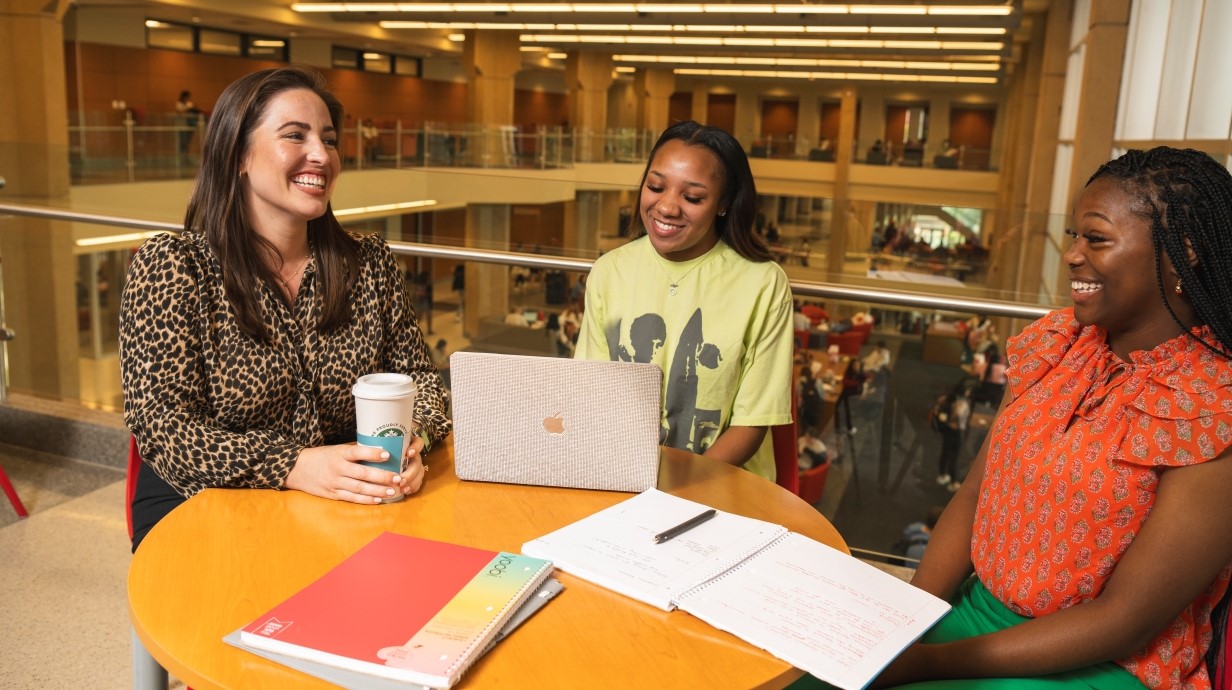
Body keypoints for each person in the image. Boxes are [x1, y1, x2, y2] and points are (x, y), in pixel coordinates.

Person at [858, 147, 1232, 688]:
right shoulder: (1057, 346)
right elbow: (972, 496)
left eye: (1096, 238)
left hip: (1100, 661)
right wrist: (902, 621)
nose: (1073, 255)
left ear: (1184, 253)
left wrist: (925, 663)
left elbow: (1126, 621)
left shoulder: (1214, 403)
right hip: (974, 613)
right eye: (1075, 236)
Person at [120, 67, 450, 552]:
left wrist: (414, 437)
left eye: (329, 139)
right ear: (238, 155)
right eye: (294, 135)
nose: (321, 154)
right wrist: (293, 465)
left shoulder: (370, 262)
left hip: (341, 499)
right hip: (207, 499)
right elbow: (163, 424)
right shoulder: (174, 266)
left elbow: (421, 380)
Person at [576, 120, 793, 483]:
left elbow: (752, 423)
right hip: (624, 477)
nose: (667, 207)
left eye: (692, 197)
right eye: (655, 186)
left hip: (723, 484)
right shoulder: (609, 271)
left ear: (723, 203)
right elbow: (592, 394)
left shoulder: (764, 283)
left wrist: (675, 489)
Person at [932, 378, 973, 491]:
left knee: (945, 453)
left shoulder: (946, 399)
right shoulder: (962, 403)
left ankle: (942, 475)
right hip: (956, 432)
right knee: (954, 457)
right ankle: (953, 481)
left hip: (946, 430)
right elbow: (960, 418)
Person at [174, 89, 201, 157]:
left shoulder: (190, 104)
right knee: (182, 143)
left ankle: (186, 157)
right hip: (182, 127)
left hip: (189, 126)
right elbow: (179, 112)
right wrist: (187, 110)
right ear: (183, 97)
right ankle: (181, 157)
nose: (187, 98)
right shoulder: (179, 104)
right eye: (186, 97)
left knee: (187, 143)